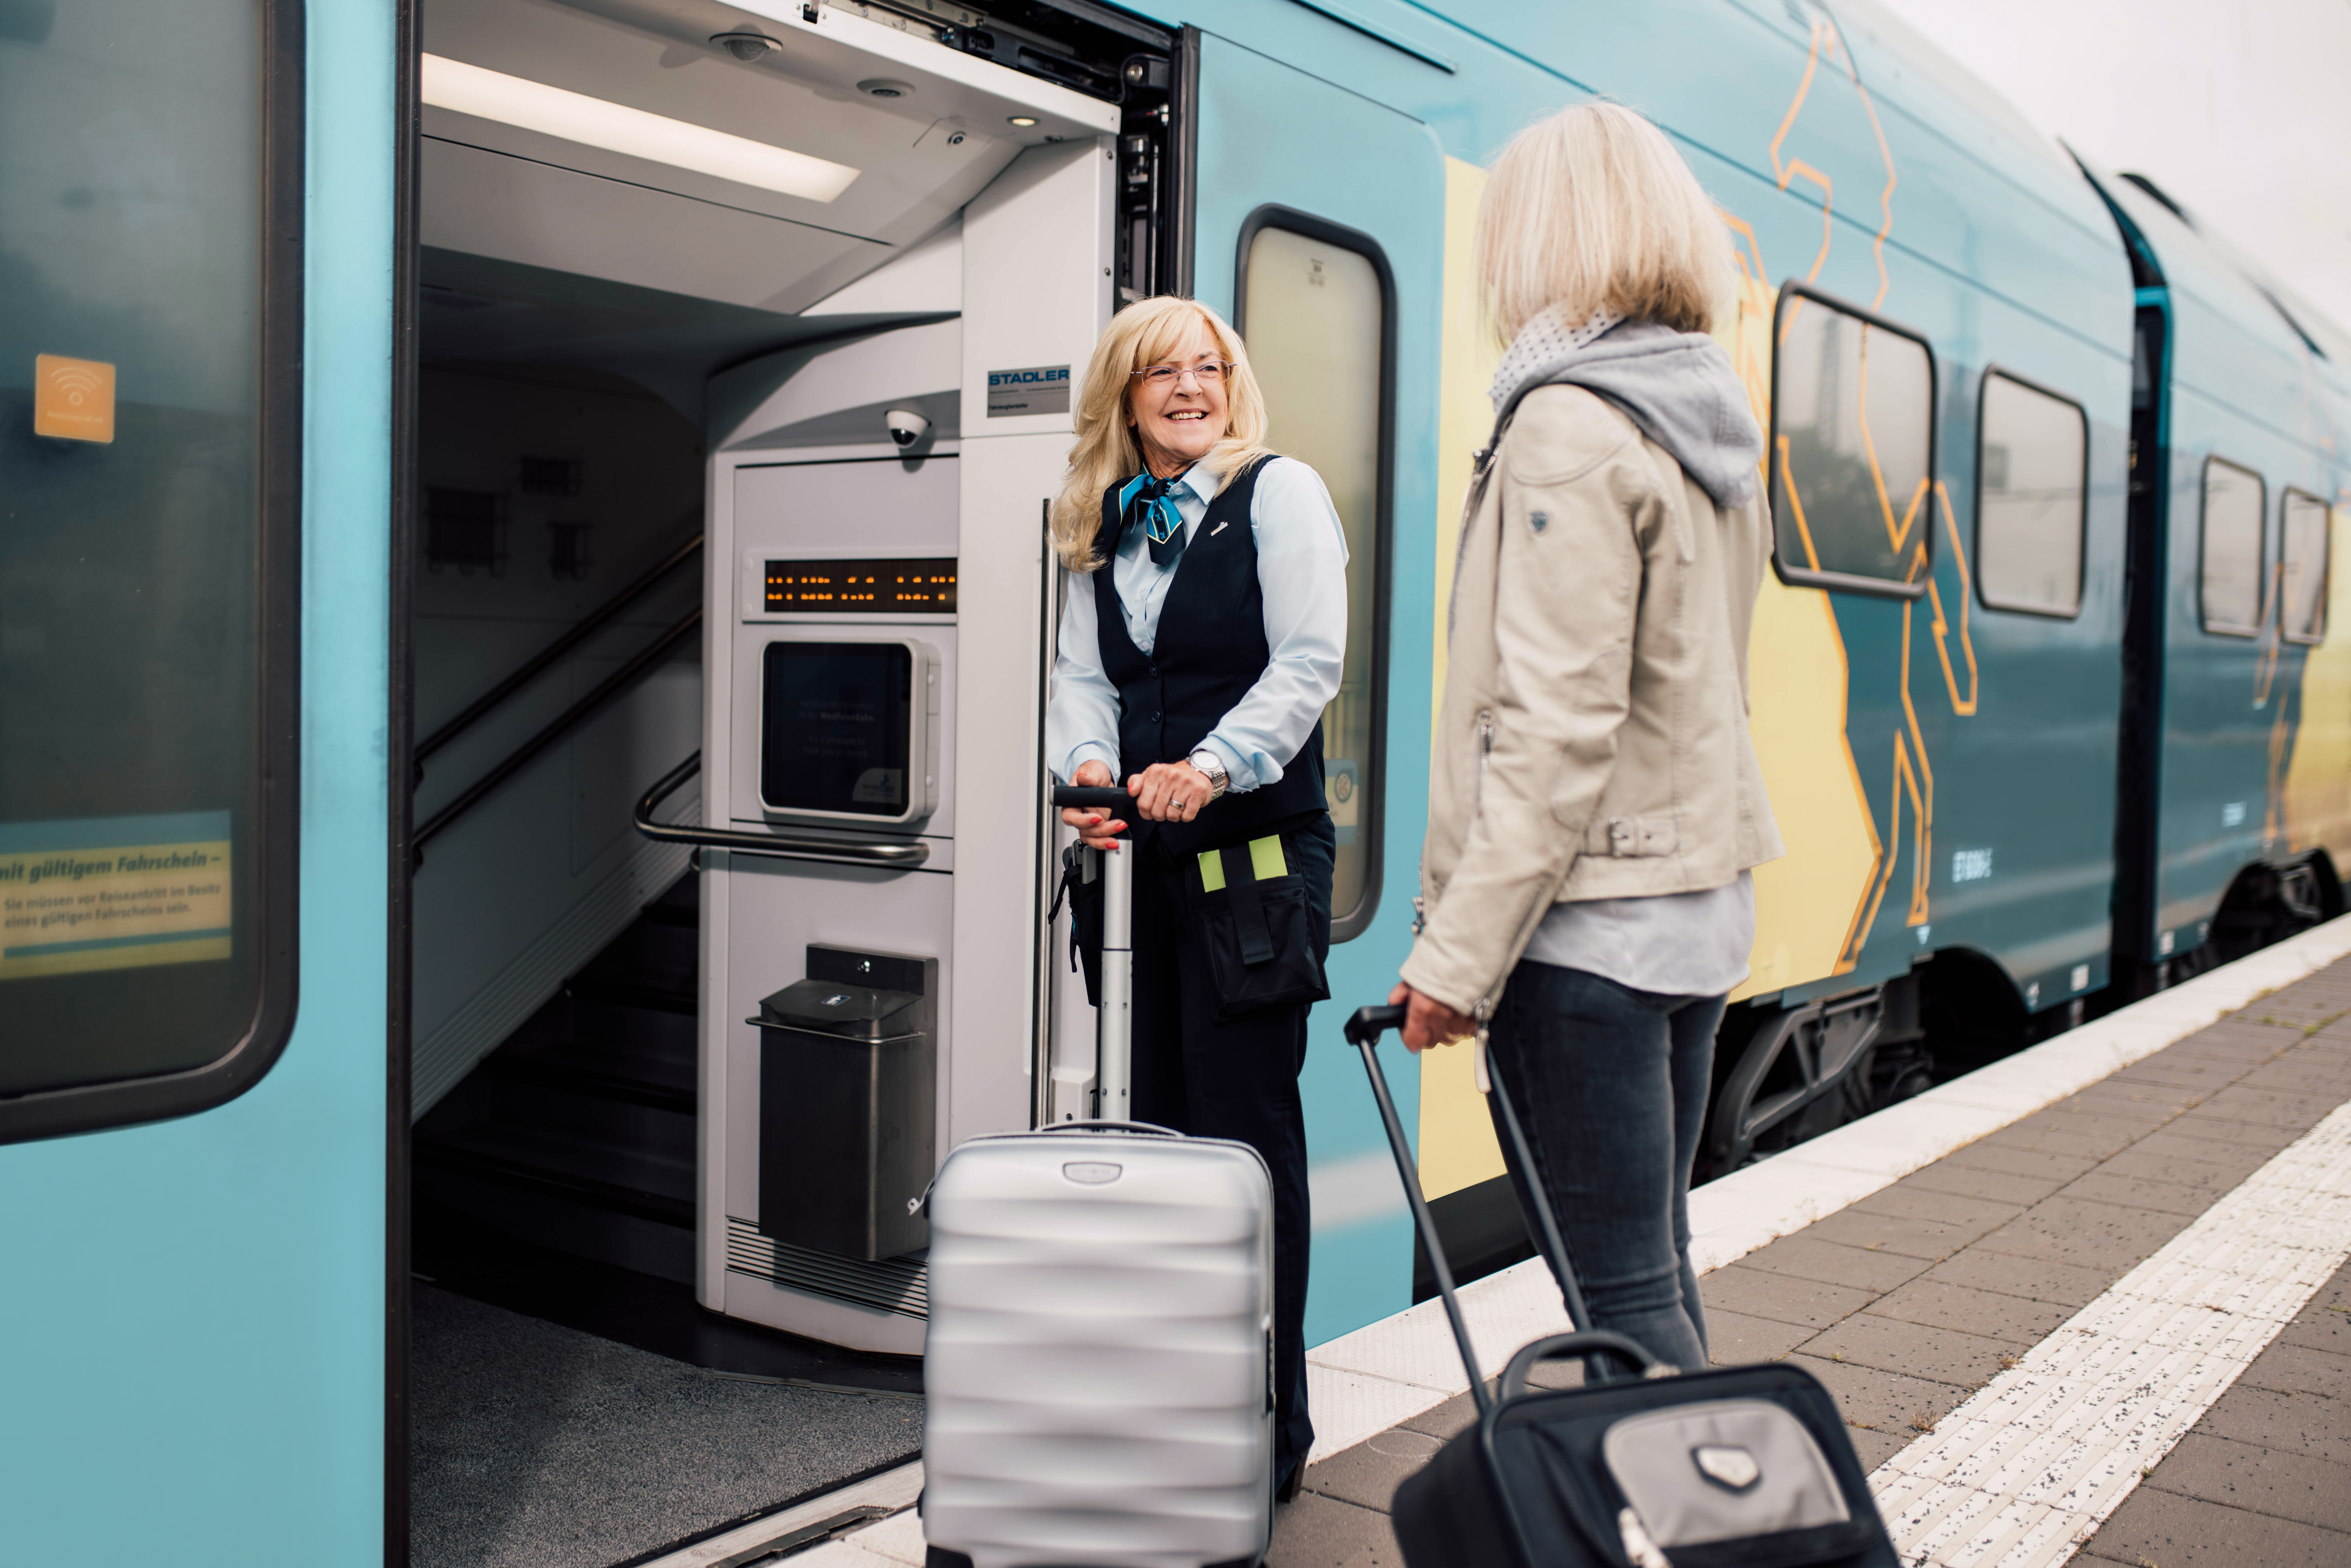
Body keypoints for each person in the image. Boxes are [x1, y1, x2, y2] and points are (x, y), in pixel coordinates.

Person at [1390, 102, 1784, 1374]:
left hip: (1589, 933)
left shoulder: (1567, 424)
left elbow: (1555, 728)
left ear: (1542, 236)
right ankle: (1714, 1508)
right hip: (1688, 912)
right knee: (1652, 1269)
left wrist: (1458, 957)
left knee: (1620, 1299)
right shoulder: (1696, 414)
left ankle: (1695, 1529)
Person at [1045, 294, 1347, 1496]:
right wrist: (1083, 767)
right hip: (1139, 876)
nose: (1190, 387)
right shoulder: (1104, 522)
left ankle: (1269, 1435)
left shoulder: (1281, 494)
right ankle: (1170, 1404)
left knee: (1246, 1142)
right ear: (1125, 396)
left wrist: (1209, 766)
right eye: (1162, 372)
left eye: (1208, 368)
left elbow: (1309, 660)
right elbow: (1085, 675)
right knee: (1161, 1133)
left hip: (1255, 868)